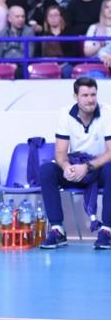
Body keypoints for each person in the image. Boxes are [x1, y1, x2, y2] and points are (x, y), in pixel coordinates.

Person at [40, 77, 111, 250]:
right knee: (47, 170)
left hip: (99, 167)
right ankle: (57, 230)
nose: (90, 100)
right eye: (85, 95)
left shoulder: (107, 112)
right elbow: (60, 153)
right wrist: (66, 167)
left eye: (93, 95)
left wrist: (87, 167)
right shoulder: (65, 114)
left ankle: (107, 231)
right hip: (76, 164)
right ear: (75, 97)